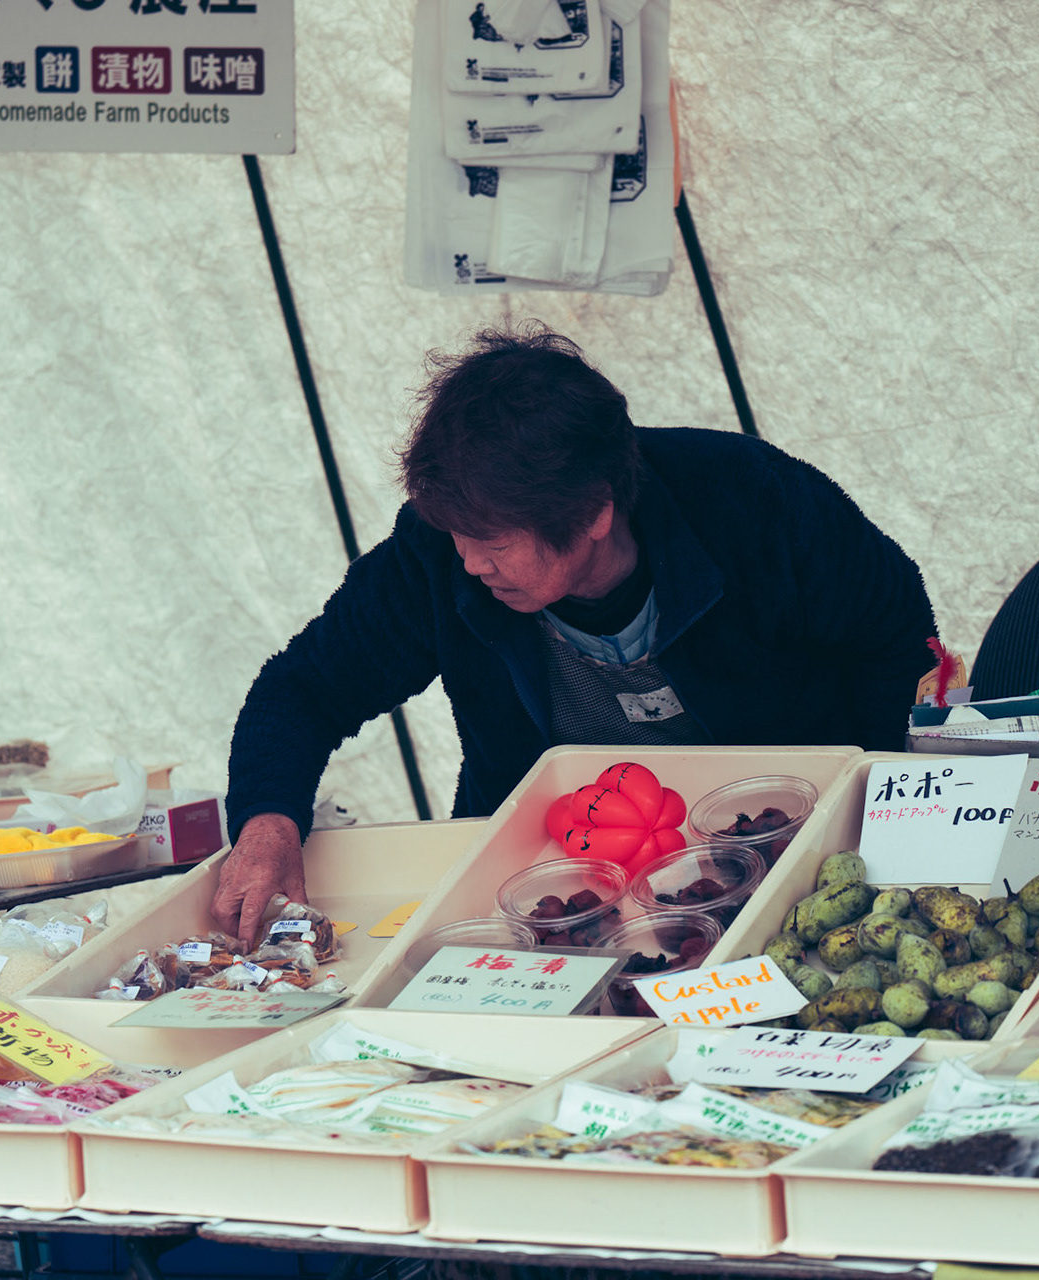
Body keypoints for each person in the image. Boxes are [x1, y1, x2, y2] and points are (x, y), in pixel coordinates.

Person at [214, 324, 939, 942]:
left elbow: (897, 639)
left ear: (594, 512)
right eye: (457, 536)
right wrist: (268, 819)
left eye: (495, 542)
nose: (470, 564)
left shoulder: (756, 502)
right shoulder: (437, 552)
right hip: (555, 884)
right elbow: (304, 687)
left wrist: (863, 819)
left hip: (781, 851)